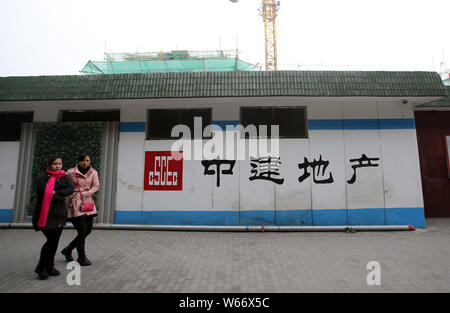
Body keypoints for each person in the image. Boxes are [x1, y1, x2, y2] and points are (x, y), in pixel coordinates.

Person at [32, 156, 74, 280]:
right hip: (45, 214)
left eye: (60, 164)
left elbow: (70, 188)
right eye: (55, 164)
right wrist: (59, 195)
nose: (58, 166)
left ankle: (50, 266)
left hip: (59, 214)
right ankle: (41, 268)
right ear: (49, 164)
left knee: (54, 242)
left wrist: (57, 193)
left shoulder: (63, 176)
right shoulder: (42, 177)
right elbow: (44, 193)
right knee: (51, 240)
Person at [62, 153, 99, 266]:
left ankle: (68, 249)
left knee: (88, 230)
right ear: (78, 161)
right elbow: (64, 185)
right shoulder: (70, 172)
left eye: (87, 160)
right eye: (83, 160)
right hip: (74, 202)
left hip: (87, 202)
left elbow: (96, 186)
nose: (85, 163)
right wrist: (72, 193)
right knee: (82, 231)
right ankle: (81, 257)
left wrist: (86, 193)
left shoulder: (93, 172)